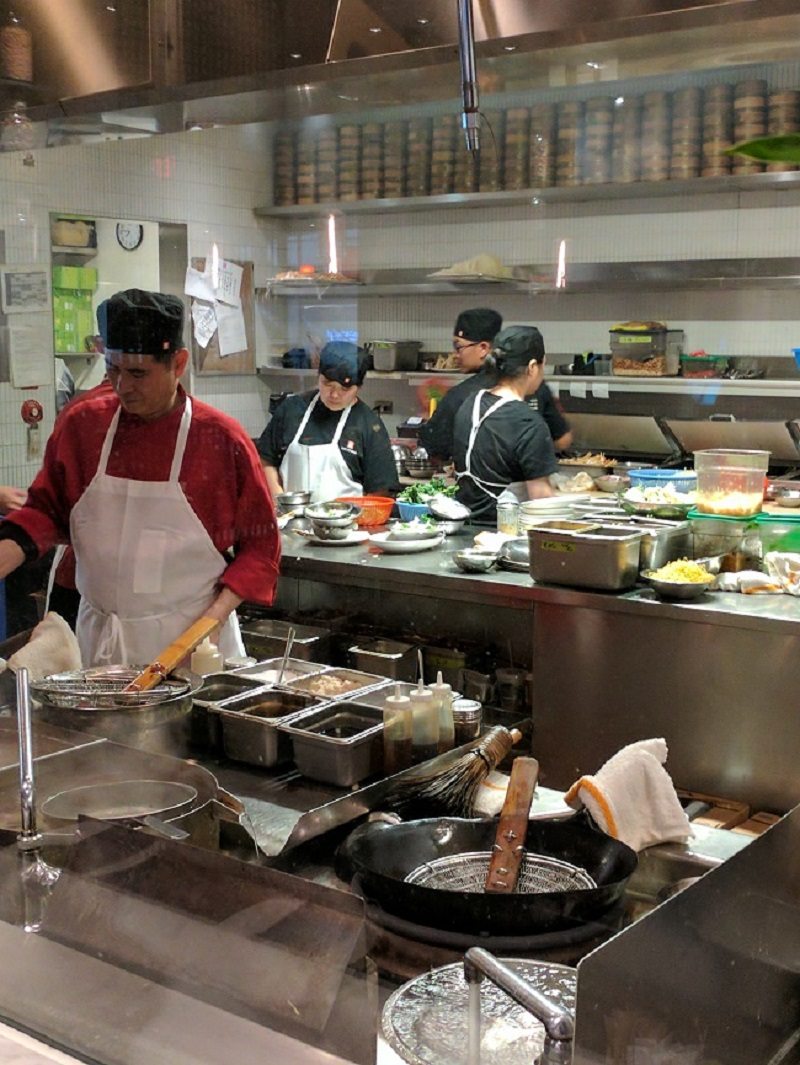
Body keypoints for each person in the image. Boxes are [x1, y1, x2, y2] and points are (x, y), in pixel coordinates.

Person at [0, 288, 280, 668]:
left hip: (192, 648)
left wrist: (210, 624)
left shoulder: (219, 439)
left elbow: (261, 550)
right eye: (112, 369)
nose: (122, 386)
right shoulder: (84, 426)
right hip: (99, 643)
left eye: (137, 373)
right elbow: (47, 512)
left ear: (178, 363)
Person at [419, 308, 572, 462]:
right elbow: (563, 440)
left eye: (459, 347)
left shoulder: (461, 395)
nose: (455, 354)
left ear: (483, 348)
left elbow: (434, 448)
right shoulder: (533, 384)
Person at [258, 341, 398, 503]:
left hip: (347, 524)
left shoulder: (369, 425)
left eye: (344, 389)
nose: (334, 395)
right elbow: (265, 460)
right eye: (327, 384)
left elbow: (379, 492)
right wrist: (279, 501)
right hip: (289, 520)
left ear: (358, 387)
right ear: (318, 376)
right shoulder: (292, 409)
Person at [453, 325, 558, 524]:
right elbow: (541, 500)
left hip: (463, 527)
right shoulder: (528, 422)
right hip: (505, 537)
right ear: (532, 367)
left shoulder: (470, 403)